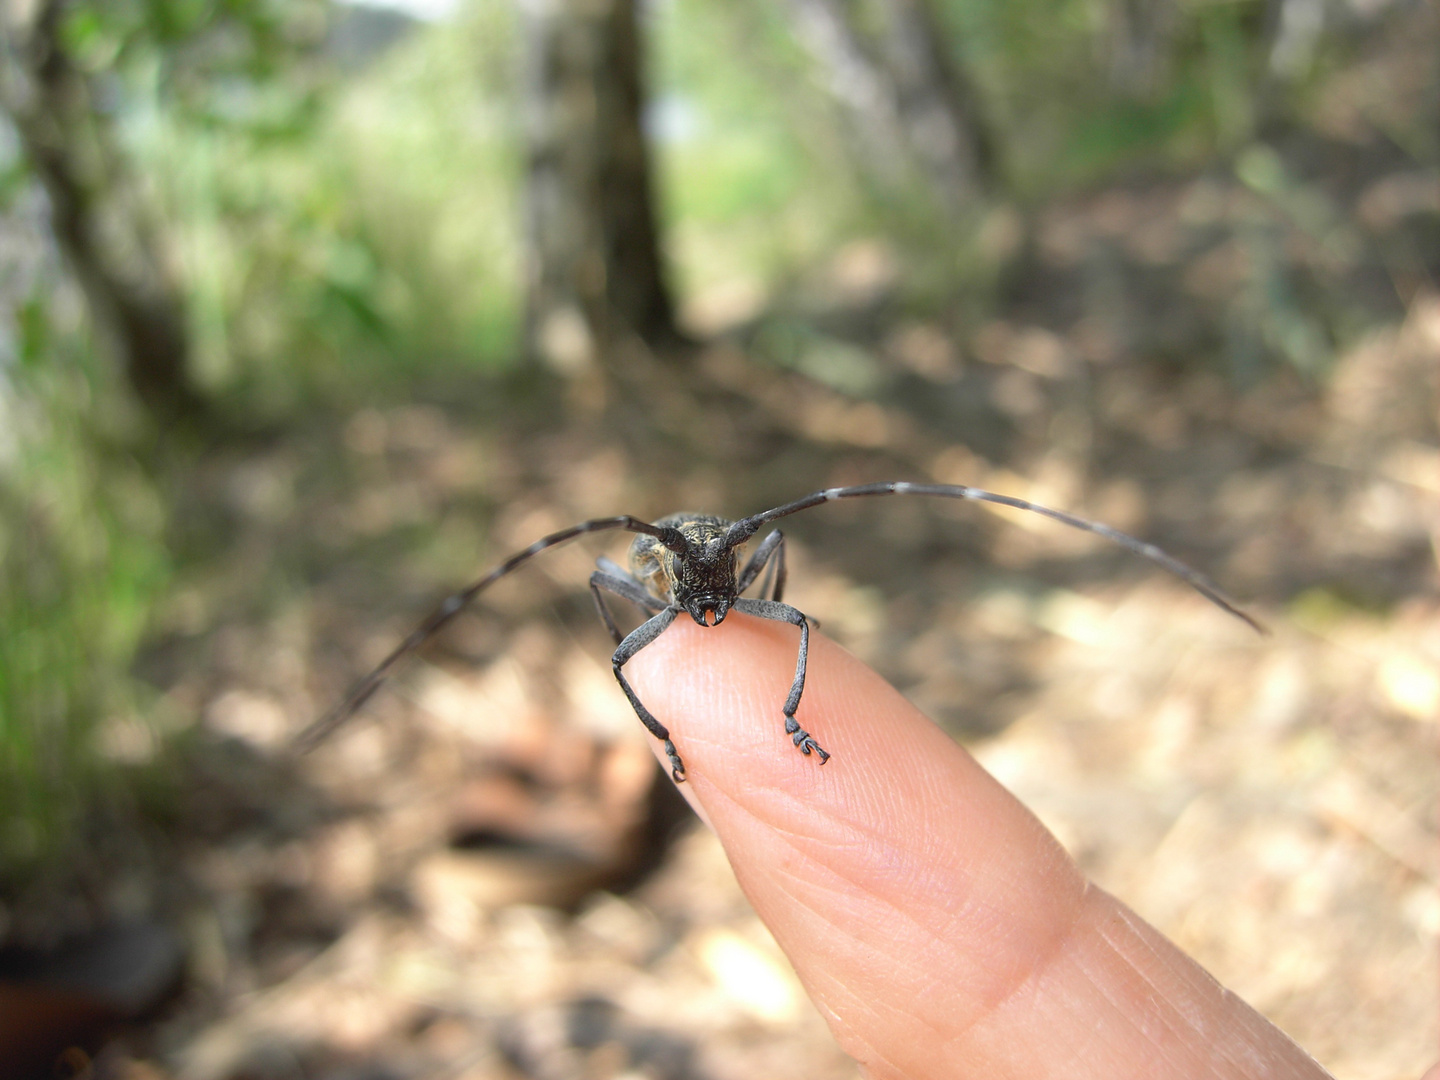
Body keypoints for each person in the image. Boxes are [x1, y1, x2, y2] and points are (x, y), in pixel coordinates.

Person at [626, 610, 1359, 1079]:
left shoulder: (754, 587)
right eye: (695, 577)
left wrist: (791, 713)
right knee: (636, 653)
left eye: (719, 574)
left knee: (789, 624)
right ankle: (670, 727)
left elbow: (790, 616)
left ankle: (784, 713)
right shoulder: (657, 579)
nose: (710, 588)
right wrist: (663, 735)